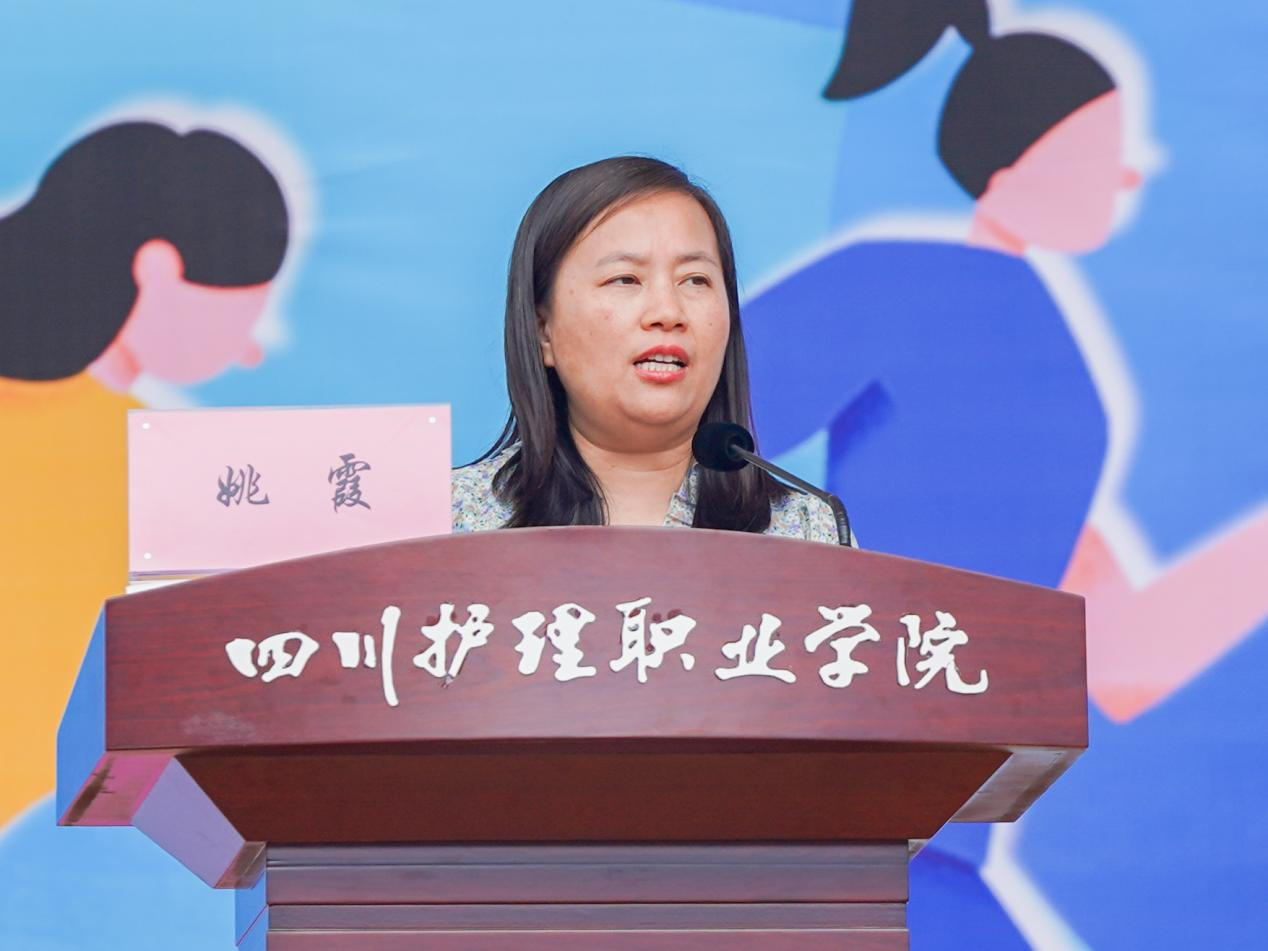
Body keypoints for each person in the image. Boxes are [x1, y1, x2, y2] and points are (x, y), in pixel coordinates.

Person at [452, 155, 845, 543]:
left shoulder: (807, 531)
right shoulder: (450, 522)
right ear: (543, 331)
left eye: (695, 280)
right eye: (625, 279)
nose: (668, 312)